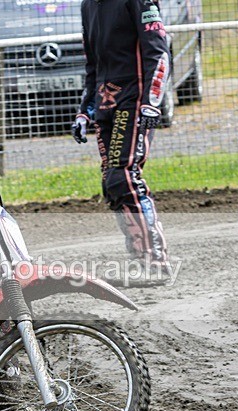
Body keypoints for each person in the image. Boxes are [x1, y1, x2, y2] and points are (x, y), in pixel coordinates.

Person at [72, 0, 171, 270]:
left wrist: (152, 101)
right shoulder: (87, 5)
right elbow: (93, 66)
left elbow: (159, 53)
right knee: (112, 184)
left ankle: (155, 259)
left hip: (134, 101)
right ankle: (141, 258)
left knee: (123, 176)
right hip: (105, 105)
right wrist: (85, 111)